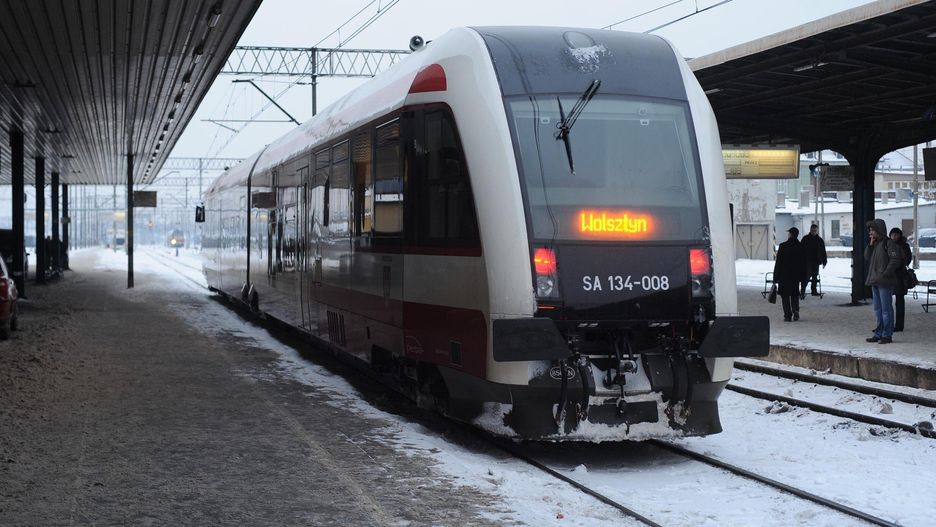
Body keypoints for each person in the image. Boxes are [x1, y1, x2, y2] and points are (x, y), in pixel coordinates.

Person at [864, 219, 901, 344]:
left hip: (884, 281)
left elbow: (895, 260)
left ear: (879, 230)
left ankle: (887, 334)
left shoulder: (888, 243)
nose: (870, 232)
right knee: (877, 309)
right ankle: (878, 333)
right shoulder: (874, 244)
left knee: (886, 309)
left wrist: (886, 273)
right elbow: (866, 257)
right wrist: (870, 244)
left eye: (872, 230)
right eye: (870, 230)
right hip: (875, 280)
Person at [773, 227, 806, 322]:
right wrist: (802, 276)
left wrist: (776, 277)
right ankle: (795, 310)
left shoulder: (783, 246)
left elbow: (778, 263)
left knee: (785, 296)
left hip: (784, 275)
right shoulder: (800, 246)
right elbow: (803, 263)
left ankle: (787, 315)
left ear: (790, 234)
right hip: (795, 276)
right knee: (794, 294)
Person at [889, 227, 912, 332]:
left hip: (900, 277)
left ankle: (899, 325)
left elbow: (908, 259)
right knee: (887, 302)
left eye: (896, 234)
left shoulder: (904, 246)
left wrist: (898, 265)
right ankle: (888, 324)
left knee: (899, 302)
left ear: (900, 235)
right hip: (889, 276)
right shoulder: (888, 245)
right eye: (892, 234)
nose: (894, 236)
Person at [800, 223, 827, 298]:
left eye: (815, 230)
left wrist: (824, 261)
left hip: (816, 262)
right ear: (810, 230)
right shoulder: (805, 239)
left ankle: (814, 291)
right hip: (807, 262)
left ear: (817, 231)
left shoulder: (820, 240)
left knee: (815, 277)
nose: (814, 232)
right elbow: (801, 250)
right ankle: (802, 292)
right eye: (812, 230)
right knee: (806, 277)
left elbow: (823, 251)